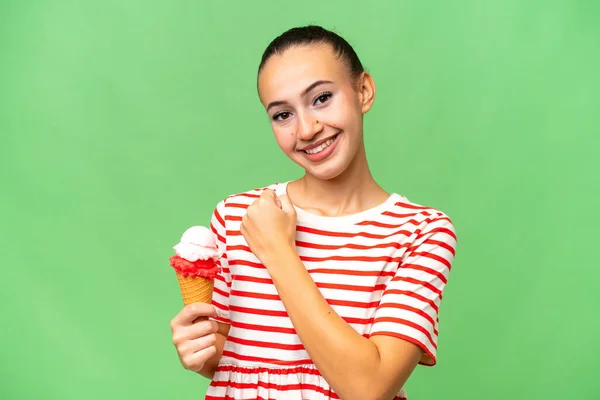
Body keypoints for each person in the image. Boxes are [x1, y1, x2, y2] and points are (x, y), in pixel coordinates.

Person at [170, 25, 457, 400]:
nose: (306, 129)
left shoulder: (420, 232)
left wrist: (278, 251)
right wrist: (198, 351)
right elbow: (238, 363)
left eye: (322, 97)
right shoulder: (239, 215)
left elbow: (369, 388)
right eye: (282, 115)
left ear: (363, 91)